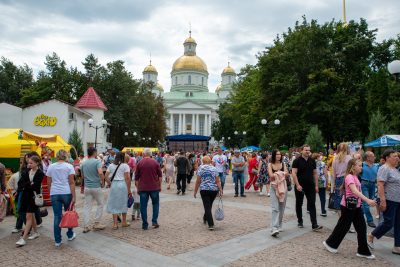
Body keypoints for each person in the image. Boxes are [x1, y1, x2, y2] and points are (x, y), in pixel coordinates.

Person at [323, 159, 376, 259]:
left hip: (355, 206)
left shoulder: (356, 177)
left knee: (361, 227)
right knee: (343, 226)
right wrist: (368, 200)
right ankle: (330, 244)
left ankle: (362, 251)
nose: (361, 167)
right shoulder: (349, 177)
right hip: (348, 206)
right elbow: (355, 191)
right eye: (360, 165)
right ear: (353, 167)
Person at [368, 149, 400, 255]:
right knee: (388, 223)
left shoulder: (395, 169)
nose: (397, 158)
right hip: (389, 200)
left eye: (397, 156)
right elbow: (380, 185)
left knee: (398, 224)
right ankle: (372, 235)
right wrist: (383, 201)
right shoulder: (384, 168)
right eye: (394, 156)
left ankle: (397, 246)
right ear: (387, 158)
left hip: (397, 200)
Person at [46, 150, 76, 247]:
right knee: (69, 214)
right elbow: (71, 182)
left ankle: (57, 240)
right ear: (66, 156)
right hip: (66, 192)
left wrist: (51, 192)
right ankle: (70, 234)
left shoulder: (51, 166)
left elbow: (48, 182)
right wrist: (74, 196)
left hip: (55, 193)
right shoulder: (69, 166)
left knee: (57, 216)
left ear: (57, 156)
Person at [292, 144, 322, 230]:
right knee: (299, 203)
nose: (307, 151)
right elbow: (294, 173)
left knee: (312, 204)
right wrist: (297, 185)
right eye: (306, 150)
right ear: (302, 150)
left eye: (308, 150)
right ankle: (300, 221)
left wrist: (316, 185)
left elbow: (315, 173)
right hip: (300, 186)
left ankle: (314, 224)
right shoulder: (297, 161)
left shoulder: (312, 161)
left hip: (311, 186)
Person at [16, 155, 45, 246]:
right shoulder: (27, 171)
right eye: (29, 163)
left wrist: (26, 185)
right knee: (31, 215)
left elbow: (35, 186)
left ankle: (23, 238)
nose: (29, 164)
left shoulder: (40, 173)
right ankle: (36, 232)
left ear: (37, 163)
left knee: (28, 216)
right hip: (26, 196)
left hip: (34, 197)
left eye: (31, 163)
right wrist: (29, 184)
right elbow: (20, 183)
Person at [135, 148, 162, 230]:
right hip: (154, 187)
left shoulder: (140, 163)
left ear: (143, 154)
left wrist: (138, 187)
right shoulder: (155, 162)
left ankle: (145, 223)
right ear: (150, 154)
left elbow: (136, 178)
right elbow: (160, 176)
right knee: (155, 204)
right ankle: (154, 221)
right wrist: (159, 185)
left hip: (143, 188)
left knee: (143, 206)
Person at [194, 156, 223, 230]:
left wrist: (195, 191)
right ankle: (205, 217)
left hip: (204, 189)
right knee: (209, 205)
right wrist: (220, 189)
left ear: (203, 161)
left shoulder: (201, 169)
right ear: (210, 161)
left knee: (207, 206)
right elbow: (217, 181)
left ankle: (211, 224)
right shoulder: (214, 169)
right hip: (213, 190)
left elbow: (198, 181)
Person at [81, 147, 106, 233]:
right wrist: (102, 181)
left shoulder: (83, 163)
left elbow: (82, 176)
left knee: (87, 206)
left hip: (87, 187)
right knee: (100, 204)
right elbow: (100, 172)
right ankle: (96, 223)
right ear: (94, 153)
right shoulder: (97, 161)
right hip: (96, 186)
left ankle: (86, 226)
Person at [105, 152, 132, 229]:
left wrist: (109, 183)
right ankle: (124, 222)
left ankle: (115, 224)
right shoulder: (125, 165)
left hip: (114, 185)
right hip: (123, 185)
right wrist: (129, 189)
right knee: (123, 202)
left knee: (114, 203)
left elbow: (106, 176)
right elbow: (127, 178)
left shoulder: (111, 165)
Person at [268, 150, 289, 236]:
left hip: (283, 188)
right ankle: (274, 228)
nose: (279, 156)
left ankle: (279, 224)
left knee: (282, 207)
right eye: (277, 154)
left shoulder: (283, 164)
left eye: (280, 154)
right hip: (273, 188)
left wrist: (279, 173)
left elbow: (287, 174)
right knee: (275, 208)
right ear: (273, 155)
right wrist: (280, 173)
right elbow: (271, 176)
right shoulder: (270, 164)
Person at [360, 151, 378, 228]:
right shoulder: (362, 164)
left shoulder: (376, 166)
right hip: (364, 184)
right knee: (366, 203)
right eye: (373, 156)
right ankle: (370, 220)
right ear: (368, 158)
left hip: (373, 185)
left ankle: (358, 214)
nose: (374, 157)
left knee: (369, 202)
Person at [332, 143, 352, 212]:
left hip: (338, 178)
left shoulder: (335, 158)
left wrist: (333, 183)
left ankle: (340, 216)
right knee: (348, 196)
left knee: (338, 197)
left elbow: (333, 173)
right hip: (348, 178)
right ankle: (346, 213)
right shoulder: (349, 158)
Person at [313, 153, 328, 217]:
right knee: (322, 197)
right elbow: (325, 173)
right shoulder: (322, 163)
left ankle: (309, 209)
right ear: (317, 157)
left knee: (312, 196)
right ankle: (323, 211)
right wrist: (327, 182)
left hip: (313, 181)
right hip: (322, 181)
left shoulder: (311, 163)